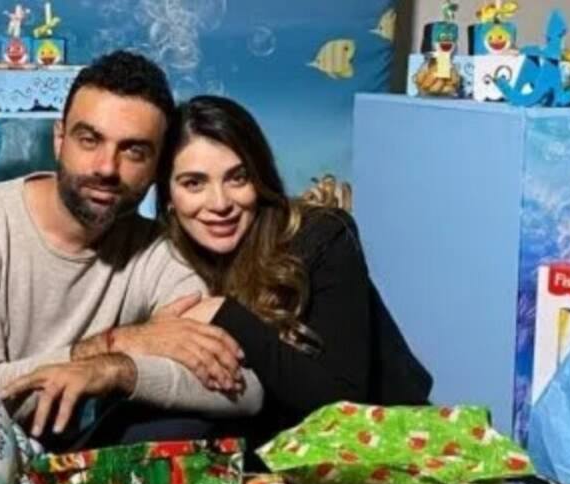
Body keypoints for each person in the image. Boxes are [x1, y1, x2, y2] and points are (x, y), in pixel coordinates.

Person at [0, 52, 262, 449]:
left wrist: (118, 370)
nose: (106, 168)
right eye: (90, 140)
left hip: (54, 463)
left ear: (157, 166)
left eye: (134, 151)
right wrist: (120, 343)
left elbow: (246, 390)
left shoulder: (158, 252)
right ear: (59, 139)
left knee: (182, 423)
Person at [148, 95, 432, 449]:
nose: (219, 203)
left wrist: (227, 315)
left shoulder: (322, 237)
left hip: (378, 457)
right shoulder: (161, 260)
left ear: (260, 179)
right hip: (261, 462)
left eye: (238, 178)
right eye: (194, 183)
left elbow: (341, 406)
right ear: (168, 195)